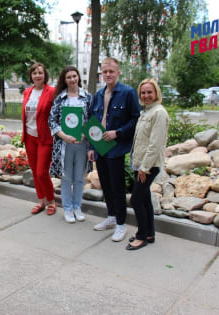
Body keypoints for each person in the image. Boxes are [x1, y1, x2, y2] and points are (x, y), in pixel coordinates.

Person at [89, 57, 141, 242]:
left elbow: (136, 119)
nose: (108, 74)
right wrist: (91, 146)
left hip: (116, 147)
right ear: (101, 74)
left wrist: (118, 133)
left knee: (117, 186)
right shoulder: (98, 94)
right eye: (105, 71)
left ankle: (121, 224)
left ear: (118, 72)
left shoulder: (127, 93)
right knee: (105, 184)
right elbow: (93, 121)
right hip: (101, 146)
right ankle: (111, 216)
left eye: (111, 71)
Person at [127, 79, 169, 250]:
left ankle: (142, 236)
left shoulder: (159, 113)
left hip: (149, 165)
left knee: (136, 200)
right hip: (141, 163)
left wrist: (144, 168)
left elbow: (155, 144)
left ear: (156, 93)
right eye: (143, 93)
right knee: (144, 199)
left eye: (149, 92)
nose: (146, 95)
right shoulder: (146, 112)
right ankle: (150, 233)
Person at [48, 66, 91, 223]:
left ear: (78, 77)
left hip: (82, 143)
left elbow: (92, 120)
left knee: (79, 178)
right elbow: (51, 120)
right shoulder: (60, 98)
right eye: (69, 77)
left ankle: (77, 207)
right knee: (66, 178)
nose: (73, 79)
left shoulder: (87, 97)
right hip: (64, 144)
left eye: (75, 76)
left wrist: (84, 133)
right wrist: (64, 136)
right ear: (64, 80)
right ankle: (67, 208)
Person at [21, 62, 56, 215]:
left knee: (42, 172)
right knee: (35, 171)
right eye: (34, 73)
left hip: (44, 137)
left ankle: (51, 201)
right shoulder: (27, 92)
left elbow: (57, 113)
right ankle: (41, 200)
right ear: (31, 76)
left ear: (44, 75)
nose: (37, 75)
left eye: (40, 73)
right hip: (29, 136)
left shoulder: (52, 91)